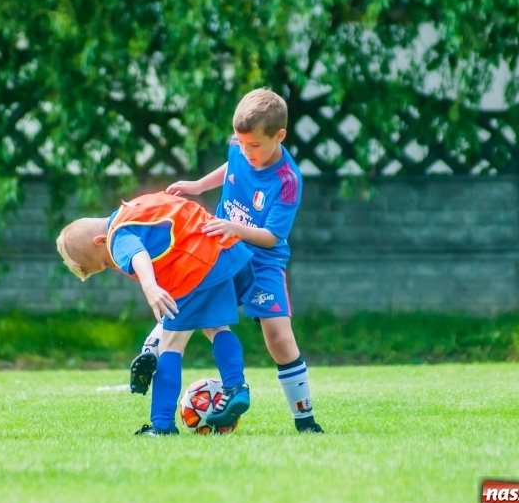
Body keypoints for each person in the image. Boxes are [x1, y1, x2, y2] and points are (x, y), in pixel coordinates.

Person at [131, 88, 324, 434]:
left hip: (263, 260)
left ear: (279, 136)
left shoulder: (288, 181)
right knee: (193, 299)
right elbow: (231, 167)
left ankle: (305, 420)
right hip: (221, 250)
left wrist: (235, 227)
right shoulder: (239, 147)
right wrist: (198, 186)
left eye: (255, 146)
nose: (247, 152)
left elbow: (271, 237)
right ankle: (151, 349)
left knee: (279, 337)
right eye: (241, 143)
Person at [56, 191, 254, 435]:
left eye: (105, 263)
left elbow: (138, 254)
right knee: (216, 328)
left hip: (196, 267)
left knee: (170, 346)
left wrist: (150, 287)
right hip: (226, 250)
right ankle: (236, 386)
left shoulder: (116, 234)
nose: (113, 265)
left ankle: (162, 425)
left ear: (99, 241)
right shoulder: (135, 206)